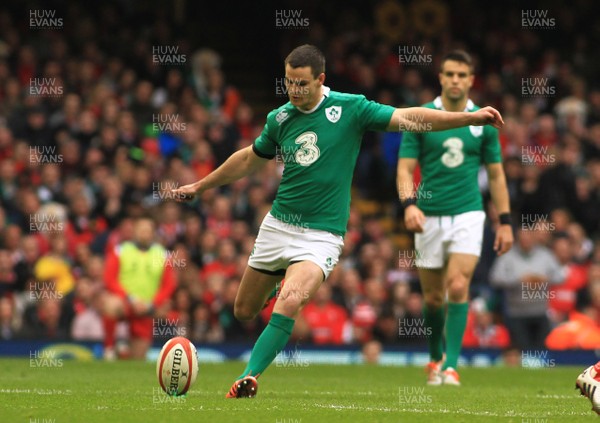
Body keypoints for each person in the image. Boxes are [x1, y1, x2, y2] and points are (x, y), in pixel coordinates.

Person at [172, 44, 504, 398]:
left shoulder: (351, 108)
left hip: (322, 235)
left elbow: (411, 118)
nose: (295, 91)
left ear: (321, 80)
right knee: (244, 310)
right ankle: (272, 288)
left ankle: (249, 377)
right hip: (279, 226)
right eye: (289, 83)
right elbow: (250, 159)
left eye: (302, 83)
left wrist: (467, 118)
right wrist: (203, 185)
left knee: (291, 300)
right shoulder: (280, 119)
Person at [397, 50, 513, 386]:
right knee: (433, 298)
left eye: (462, 75)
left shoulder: (484, 120)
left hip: (468, 213)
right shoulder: (422, 117)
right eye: (450, 74)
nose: (455, 80)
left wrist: (504, 221)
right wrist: (409, 204)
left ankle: (451, 365)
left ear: (471, 79)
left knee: (458, 285)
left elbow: (496, 176)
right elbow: (405, 168)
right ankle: (434, 357)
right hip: (428, 217)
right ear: (441, 78)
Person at [101, 216, 176, 359]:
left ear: (153, 233)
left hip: (148, 309)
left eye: (148, 230)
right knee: (110, 304)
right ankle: (109, 348)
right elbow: (109, 280)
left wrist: (151, 304)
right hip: (125, 303)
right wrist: (131, 299)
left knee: (137, 359)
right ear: (134, 231)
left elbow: (169, 286)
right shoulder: (120, 251)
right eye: (141, 230)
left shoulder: (163, 255)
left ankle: (122, 351)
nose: (144, 234)